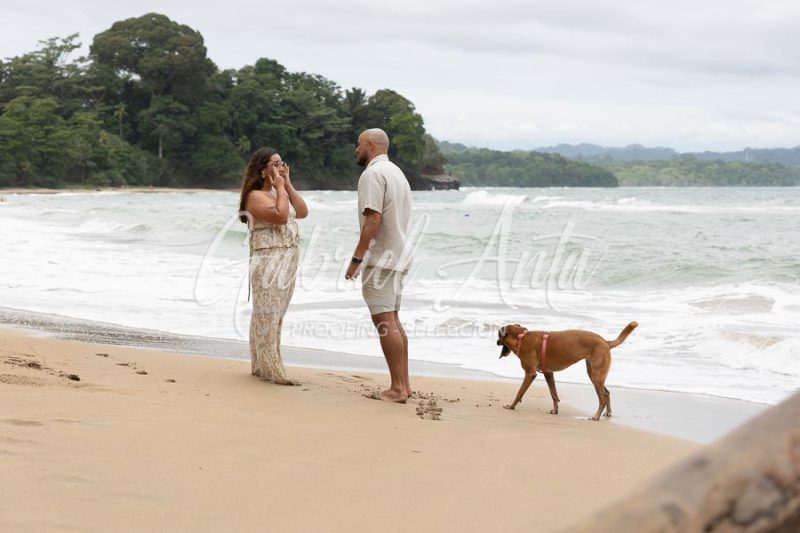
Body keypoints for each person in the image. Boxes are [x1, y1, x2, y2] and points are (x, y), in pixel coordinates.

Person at [345, 129, 413, 402]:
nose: (356, 149)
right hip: (399, 253)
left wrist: (357, 258)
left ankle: (397, 389)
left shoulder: (372, 174)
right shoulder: (397, 172)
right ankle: (404, 385)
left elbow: (373, 218)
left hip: (382, 257)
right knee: (393, 319)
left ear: (370, 145)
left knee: (385, 320)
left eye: (359, 144)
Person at [239, 147, 308, 385]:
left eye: (281, 163)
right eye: (275, 164)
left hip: (287, 259)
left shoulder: (279, 191)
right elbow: (280, 217)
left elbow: (302, 211)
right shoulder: (255, 196)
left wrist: (287, 185)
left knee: (277, 314)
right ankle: (269, 369)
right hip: (268, 261)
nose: (280, 167)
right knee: (267, 314)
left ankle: (265, 365)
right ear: (262, 170)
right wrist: (279, 188)